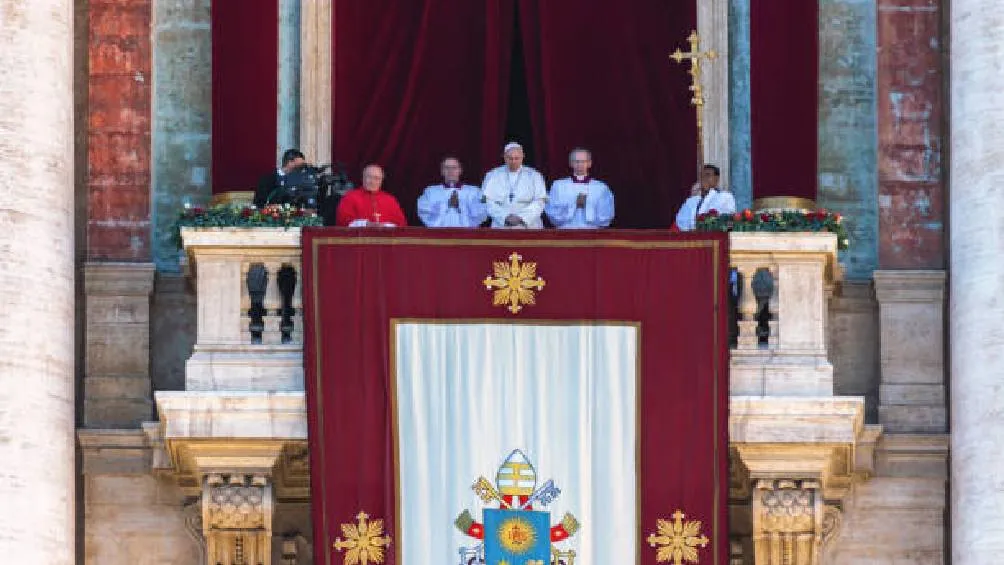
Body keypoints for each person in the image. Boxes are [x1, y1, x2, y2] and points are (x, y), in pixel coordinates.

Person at [481, 142, 547, 229]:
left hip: (529, 225)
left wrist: (522, 217)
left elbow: (540, 201)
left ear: (523, 156)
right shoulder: (493, 175)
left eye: (517, 158)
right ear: (504, 157)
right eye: (510, 158)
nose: (513, 161)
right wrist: (505, 217)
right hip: (501, 224)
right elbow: (487, 202)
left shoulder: (534, 175)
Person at [545, 148, 614, 229]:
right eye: (576, 161)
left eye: (584, 161)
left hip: (592, 231)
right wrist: (574, 206)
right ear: (571, 163)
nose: (580, 164)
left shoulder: (601, 187)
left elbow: (606, 216)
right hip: (566, 231)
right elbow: (552, 213)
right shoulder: (558, 186)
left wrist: (587, 208)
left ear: (589, 163)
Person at [416, 156, 488, 227]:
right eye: (447, 168)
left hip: (466, 233)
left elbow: (483, 212)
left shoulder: (475, 191)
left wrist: (459, 206)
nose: (450, 171)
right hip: (439, 233)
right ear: (442, 171)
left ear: (460, 170)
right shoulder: (430, 191)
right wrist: (446, 205)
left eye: (454, 168)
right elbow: (423, 211)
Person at [334, 164, 408, 227]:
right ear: (363, 178)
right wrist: (366, 224)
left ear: (381, 180)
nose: (372, 181)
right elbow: (343, 222)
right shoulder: (349, 197)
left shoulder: (390, 200)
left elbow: (401, 225)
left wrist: (385, 226)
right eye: (369, 177)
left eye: (377, 178)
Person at [674, 164, 736, 231]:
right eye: (702, 176)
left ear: (716, 179)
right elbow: (680, 221)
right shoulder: (691, 201)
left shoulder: (725, 196)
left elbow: (726, 219)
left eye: (707, 175)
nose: (704, 178)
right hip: (691, 235)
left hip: (713, 235)